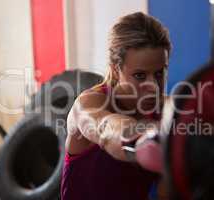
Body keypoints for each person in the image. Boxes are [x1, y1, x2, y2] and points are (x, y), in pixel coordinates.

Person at [61, 12, 171, 200]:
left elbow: (166, 190)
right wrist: (149, 137)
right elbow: (106, 129)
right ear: (115, 69)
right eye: (140, 76)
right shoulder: (88, 104)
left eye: (159, 73)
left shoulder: (167, 110)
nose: (153, 86)